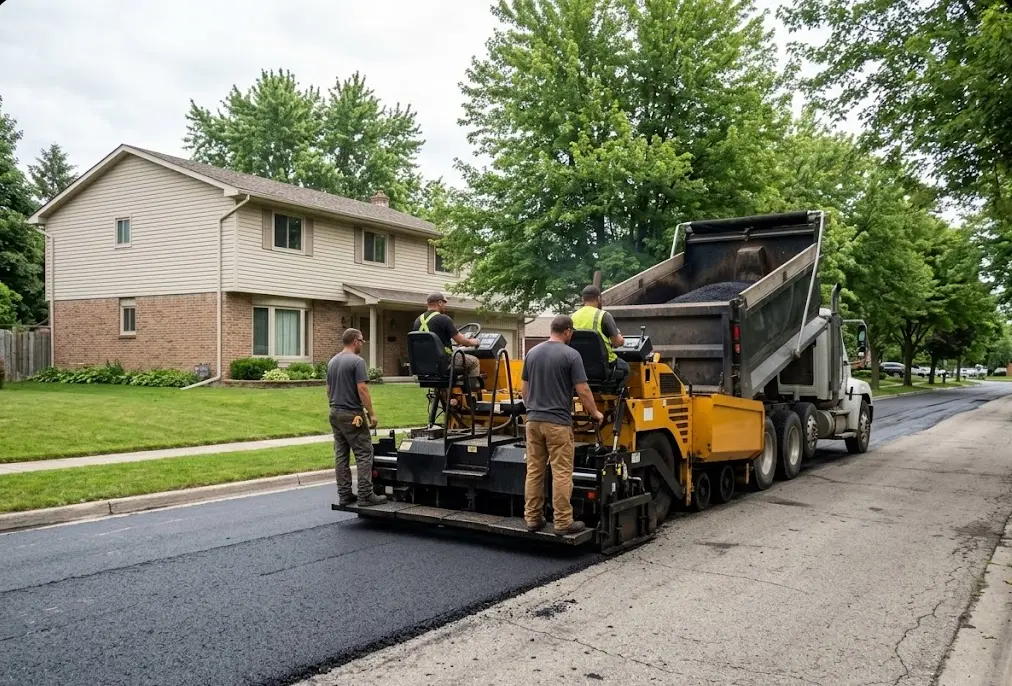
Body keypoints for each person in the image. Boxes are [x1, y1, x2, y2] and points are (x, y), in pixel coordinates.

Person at [521, 315, 604, 535]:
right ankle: (562, 522)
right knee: (561, 472)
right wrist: (595, 413)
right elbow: (583, 390)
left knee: (534, 471)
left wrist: (532, 408)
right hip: (557, 423)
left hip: (533, 421)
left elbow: (524, 390)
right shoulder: (571, 355)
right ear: (567, 331)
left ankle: (532, 519)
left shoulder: (532, 353)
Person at [327, 327, 387, 507]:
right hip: (352, 414)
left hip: (335, 412)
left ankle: (345, 495)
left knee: (341, 454)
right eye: (362, 341)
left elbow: (328, 390)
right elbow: (362, 389)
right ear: (355, 341)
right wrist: (372, 413)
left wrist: (334, 405)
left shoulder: (333, 361)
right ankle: (365, 495)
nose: (362, 343)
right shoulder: (357, 361)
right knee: (364, 453)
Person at [412, 291, 481, 387]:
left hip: (425, 364)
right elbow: (462, 341)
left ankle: (448, 394)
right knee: (474, 362)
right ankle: (471, 394)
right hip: (445, 362)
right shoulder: (444, 319)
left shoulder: (417, 320)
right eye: (445, 303)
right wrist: (474, 342)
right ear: (439, 302)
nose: (445, 306)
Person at [572, 285, 629, 387]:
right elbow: (617, 342)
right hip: (604, 367)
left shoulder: (573, 317)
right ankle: (618, 400)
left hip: (579, 366)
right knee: (625, 368)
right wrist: (620, 337)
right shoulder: (604, 316)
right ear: (598, 298)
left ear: (582, 299)